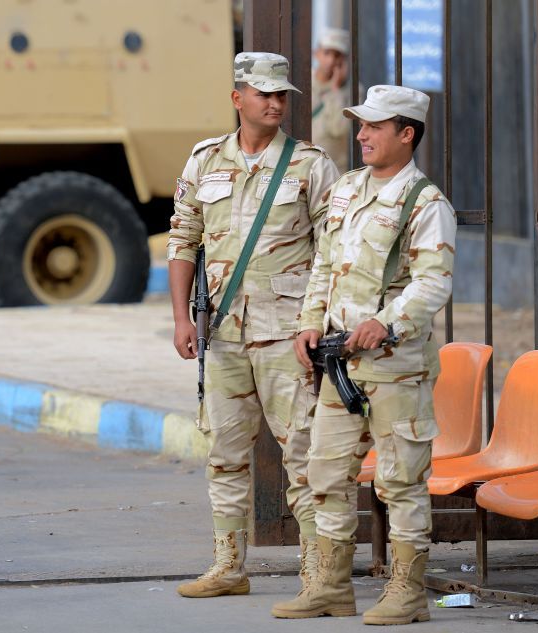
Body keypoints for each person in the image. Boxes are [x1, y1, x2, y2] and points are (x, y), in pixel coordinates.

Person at [271, 85, 456, 625]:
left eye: (375, 127)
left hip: (396, 369)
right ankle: (329, 587)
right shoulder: (348, 190)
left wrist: (386, 322)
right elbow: (324, 268)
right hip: (338, 365)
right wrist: (309, 325)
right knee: (324, 474)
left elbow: (433, 283)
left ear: (407, 134)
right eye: (361, 125)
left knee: (400, 481)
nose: (362, 135)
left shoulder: (426, 203)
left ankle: (407, 593)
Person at [167, 52, 339, 599]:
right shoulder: (204, 160)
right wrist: (180, 319)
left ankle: (319, 572)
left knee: (305, 456)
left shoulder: (311, 164)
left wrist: (315, 322)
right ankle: (228, 566)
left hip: (287, 332)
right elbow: (182, 239)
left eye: (282, 94)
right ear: (238, 98)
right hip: (222, 332)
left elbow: (332, 252)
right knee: (224, 453)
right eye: (263, 93)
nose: (274, 102)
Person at [311, 28, 352, 172]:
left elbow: (338, 129)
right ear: (316, 54)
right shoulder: (304, 81)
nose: (331, 60)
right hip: (303, 165)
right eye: (327, 53)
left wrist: (336, 90)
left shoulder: (352, 91)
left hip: (334, 169)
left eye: (337, 55)